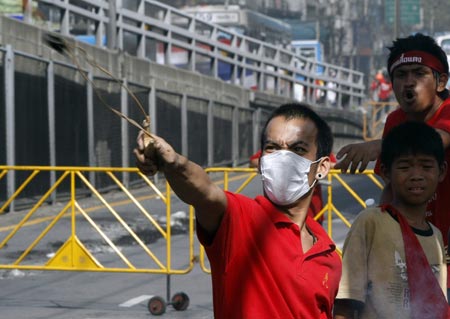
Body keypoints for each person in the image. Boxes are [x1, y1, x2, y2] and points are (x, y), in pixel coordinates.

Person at [134, 102, 342, 318]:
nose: (283, 158)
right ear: (261, 162)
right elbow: (204, 192)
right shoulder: (241, 219)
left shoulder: (329, 256)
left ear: (322, 167)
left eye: (298, 149)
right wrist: (172, 162)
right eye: (272, 148)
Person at [334, 33, 450, 294]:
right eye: (401, 75)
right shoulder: (395, 120)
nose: (409, 83)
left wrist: (380, 146)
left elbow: (435, 140)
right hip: (413, 256)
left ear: (441, 81)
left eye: (419, 73)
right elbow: (390, 191)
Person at [334, 121, 449, 319]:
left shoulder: (436, 236)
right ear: (386, 172)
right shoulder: (370, 223)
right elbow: (346, 304)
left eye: (426, 166)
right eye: (404, 167)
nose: (416, 176)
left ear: (442, 171)